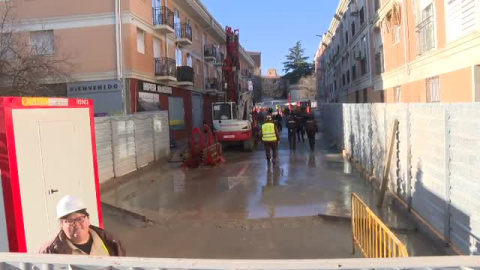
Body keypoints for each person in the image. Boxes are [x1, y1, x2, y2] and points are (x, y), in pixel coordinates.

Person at [39, 195, 126, 256]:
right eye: (70, 221)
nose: (76, 224)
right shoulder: (50, 252)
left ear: (88, 219)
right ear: (62, 224)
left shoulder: (111, 242)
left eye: (80, 219)